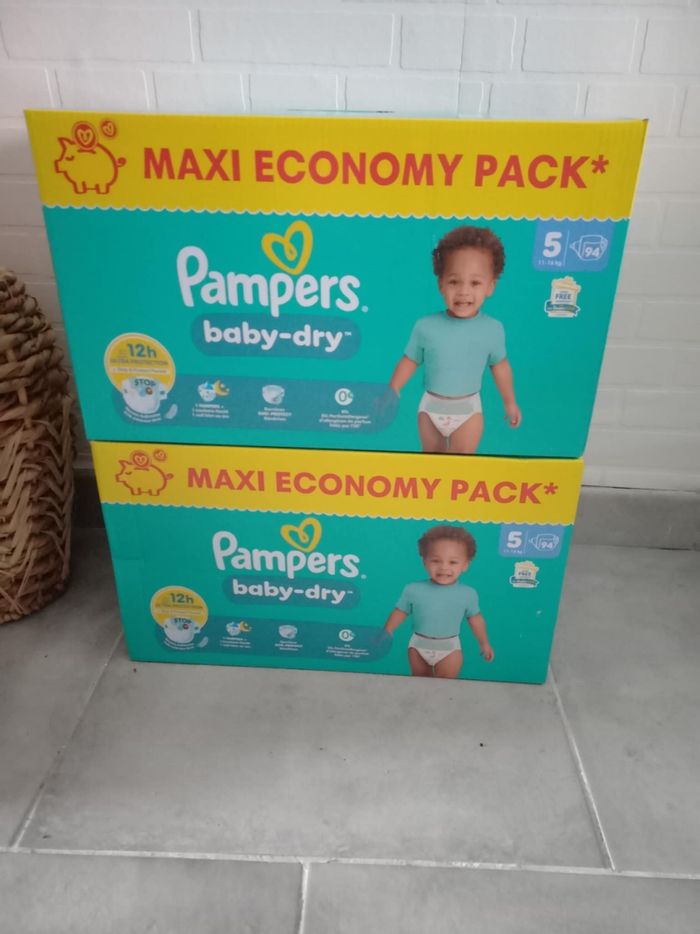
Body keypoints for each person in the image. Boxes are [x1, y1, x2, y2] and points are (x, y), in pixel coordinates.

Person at [389, 225, 521, 454]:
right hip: (430, 409)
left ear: (490, 286)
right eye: (454, 282)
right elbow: (409, 360)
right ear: (441, 284)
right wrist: (393, 389)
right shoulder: (426, 326)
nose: (463, 292)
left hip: (468, 411)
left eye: (475, 283)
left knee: (461, 462)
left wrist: (510, 402)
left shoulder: (492, 329)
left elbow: (500, 366)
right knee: (431, 460)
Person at [383, 526, 494, 679]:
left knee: (446, 684)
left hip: (450, 649)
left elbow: (475, 619)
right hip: (418, 645)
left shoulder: (468, 593)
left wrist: (484, 644)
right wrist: (387, 631)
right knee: (419, 680)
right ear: (425, 562)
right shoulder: (413, 589)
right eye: (435, 561)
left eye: (453, 562)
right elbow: (400, 611)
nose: (443, 567)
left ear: (465, 565)